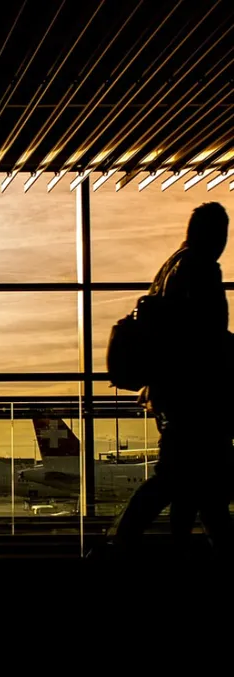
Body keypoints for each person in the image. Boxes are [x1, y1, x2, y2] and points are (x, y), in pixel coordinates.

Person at [109, 202, 233, 550]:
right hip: (195, 395)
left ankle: (135, 542)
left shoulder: (172, 267)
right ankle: (123, 542)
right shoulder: (201, 268)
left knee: (188, 479)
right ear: (214, 233)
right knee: (192, 479)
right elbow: (205, 336)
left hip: (170, 394)